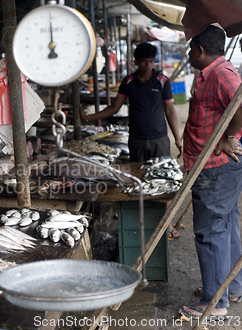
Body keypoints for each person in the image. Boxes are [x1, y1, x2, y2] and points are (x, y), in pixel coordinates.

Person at [80, 42, 183, 239]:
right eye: (144, 61)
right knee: (139, 180)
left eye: (151, 61)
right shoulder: (128, 82)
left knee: (166, 181)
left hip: (159, 139)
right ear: (135, 61)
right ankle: (142, 219)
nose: (148, 65)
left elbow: (170, 110)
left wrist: (178, 139)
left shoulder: (162, 81)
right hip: (136, 140)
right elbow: (114, 108)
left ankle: (167, 223)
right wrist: (88, 118)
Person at [181, 25, 242, 319]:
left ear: (201, 50)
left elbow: (240, 104)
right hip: (211, 167)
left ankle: (215, 303)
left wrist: (229, 137)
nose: (190, 54)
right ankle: (228, 288)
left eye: (191, 49)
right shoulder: (209, 74)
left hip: (214, 169)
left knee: (209, 232)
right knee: (226, 225)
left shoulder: (221, 74)